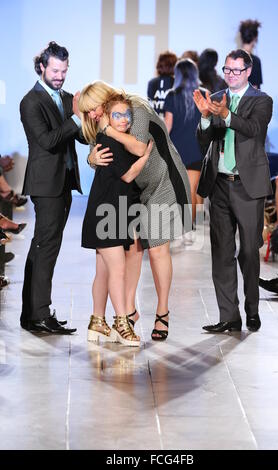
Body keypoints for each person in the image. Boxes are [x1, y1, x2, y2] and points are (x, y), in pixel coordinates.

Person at [78, 81, 192, 341]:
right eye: (89, 113)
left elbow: (139, 146)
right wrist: (90, 158)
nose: (93, 116)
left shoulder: (135, 108)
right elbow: (102, 157)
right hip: (132, 188)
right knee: (132, 247)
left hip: (163, 180)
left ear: (105, 100)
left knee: (157, 248)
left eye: (94, 108)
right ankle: (128, 310)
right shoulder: (103, 121)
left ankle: (162, 312)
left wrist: (107, 129)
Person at [193, 49, 273, 333]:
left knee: (250, 251)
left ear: (248, 71)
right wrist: (205, 117)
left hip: (248, 185)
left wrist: (226, 114)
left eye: (236, 70)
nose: (230, 75)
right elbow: (205, 140)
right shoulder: (215, 98)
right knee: (222, 251)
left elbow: (253, 129)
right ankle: (229, 315)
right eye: (227, 70)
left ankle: (252, 308)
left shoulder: (261, 100)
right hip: (220, 184)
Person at [19, 41, 92, 334]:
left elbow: (79, 137)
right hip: (45, 184)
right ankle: (39, 314)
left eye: (64, 70)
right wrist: (76, 117)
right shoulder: (31, 101)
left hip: (62, 182)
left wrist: (88, 121)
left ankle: (32, 313)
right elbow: (47, 141)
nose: (61, 75)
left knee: (43, 247)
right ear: (42, 67)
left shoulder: (64, 97)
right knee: (46, 247)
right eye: (55, 70)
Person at [82, 92, 153, 346]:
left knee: (103, 271)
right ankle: (122, 323)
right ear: (107, 118)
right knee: (117, 269)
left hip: (110, 211)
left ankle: (97, 322)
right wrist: (145, 157)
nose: (123, 119)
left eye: (127, 115)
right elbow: (127, 175)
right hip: (107, 214)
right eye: (117, 115)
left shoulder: (112, 138)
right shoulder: (110, 141)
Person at [164, 58, 203, 223]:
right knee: (194, 190)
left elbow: (168, 125)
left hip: (177, 150)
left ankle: (186, 225)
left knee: (181, 190)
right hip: (197, 149)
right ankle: (195, 225)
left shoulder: (172, 95)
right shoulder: (204, 95)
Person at [147, 50, 177, 118]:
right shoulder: (176, 83)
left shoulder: (151, 83)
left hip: (155, 123)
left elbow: (151, 104)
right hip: (171, 124)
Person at [239, 19, 263, 89]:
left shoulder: (232, 59)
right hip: (250, 99)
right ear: (255, 38)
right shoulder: (255, 61)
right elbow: (255, 89)